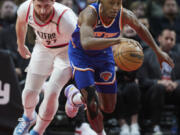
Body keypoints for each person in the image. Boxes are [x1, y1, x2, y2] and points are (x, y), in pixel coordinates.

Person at [64, 0, 174, 135]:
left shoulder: (124, 14)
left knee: (108, 108)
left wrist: (158, 51)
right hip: (81, 56)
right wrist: (118, 40)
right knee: (92, 104)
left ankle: (75, 95)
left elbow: (140, 28)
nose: (116, 7)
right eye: (111, 3)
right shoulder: (89, 14)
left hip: (104, 55)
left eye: (118, 3)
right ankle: (100, 132)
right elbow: (86, 43)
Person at [13, 0, 77, 135]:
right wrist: (20, 45)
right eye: (39, 6)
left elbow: (81, 46)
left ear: (53, 2)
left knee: (52, 92)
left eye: (46, 6)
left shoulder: (67, 19)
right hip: (43, 48)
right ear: (32, 2)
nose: (42, 11)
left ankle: (38, 131)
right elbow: (20, 22)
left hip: (67, 52)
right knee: (30, 91)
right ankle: (28, 117)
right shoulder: (26, 8)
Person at [137, 28, 180, 135]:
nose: (169, 41)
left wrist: (176, 83)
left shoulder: (177, 57)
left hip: (172, 90)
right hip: (152, 91)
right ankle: (154, 126)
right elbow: (142, 80)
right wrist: (158, 82)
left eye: (172, 39)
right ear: (159, 39)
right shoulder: (147, 55)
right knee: (159, 88)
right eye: (166, 38)